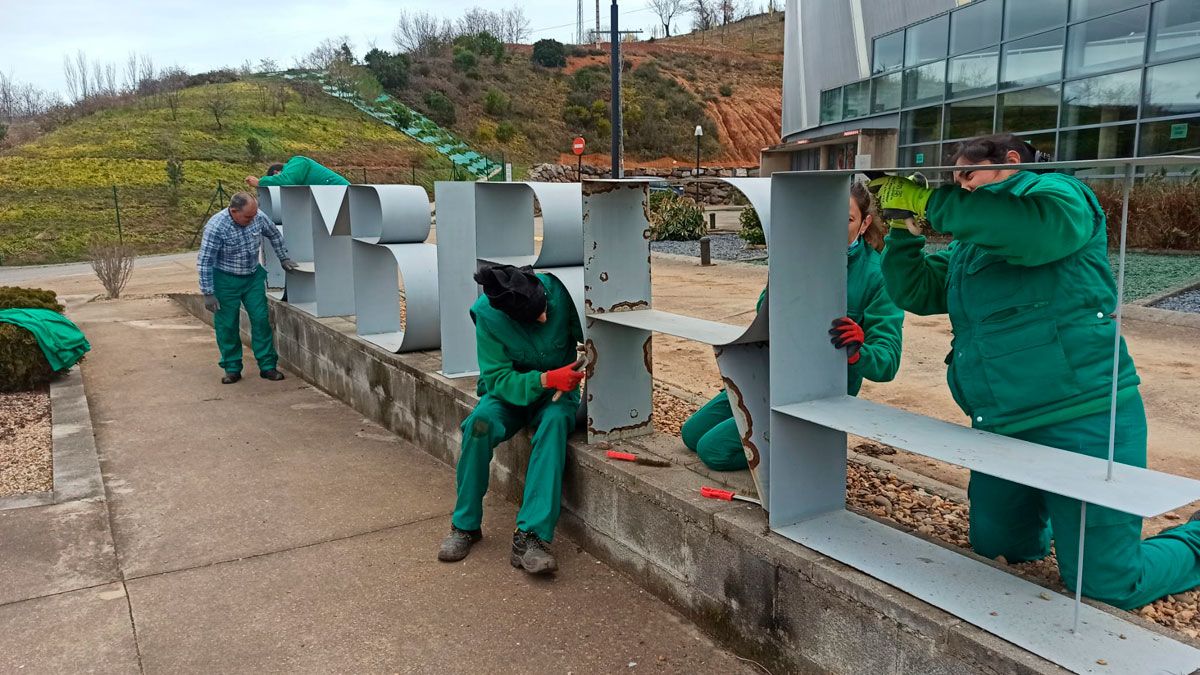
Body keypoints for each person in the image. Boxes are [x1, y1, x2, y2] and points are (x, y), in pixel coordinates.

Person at [873, 133, 1200, 609]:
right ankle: (1060, 522)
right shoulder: (975, 242)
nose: (960, 189)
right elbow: (918, 292)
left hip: (1083, 421)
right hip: (1001, 424)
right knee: (1002, 551)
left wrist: (929, 199)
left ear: (1010, 162)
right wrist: (904, 228)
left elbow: (1033, 234)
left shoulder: (1058, 198)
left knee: (1109, 585)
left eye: (967, 176)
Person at [680, 183, 905, 471]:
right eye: (826, 216)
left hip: (815, 393)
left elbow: (887, 363)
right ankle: (778, 431)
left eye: (847, 219)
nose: (833, 227)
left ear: (864, 223)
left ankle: (807, 443)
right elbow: (765, 313)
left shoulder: (879, 275)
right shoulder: (798, 256)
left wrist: (858, 351)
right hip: (771, 374)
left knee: (713, 452)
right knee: (691, 434)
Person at [437, 264, 584, 575]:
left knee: (555, 425)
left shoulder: (561, 292)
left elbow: (598, 340)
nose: (544, 319)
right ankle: (465, 525)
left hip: (557, 395)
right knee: (478, 425)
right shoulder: (487, 315)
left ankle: (531, 536)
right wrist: (545, 380)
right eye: (535, 319)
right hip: (511, 392)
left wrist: (577, 373)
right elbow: (498, 378)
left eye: (543, 310)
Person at [197, 192, 300, 384]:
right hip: (225, 281)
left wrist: (283, 257)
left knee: (261, 319)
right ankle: (232, 367)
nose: (252, 219)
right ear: (234, 211)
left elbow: (274, 234)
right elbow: (204, 261)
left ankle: (268, 366)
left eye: (254, 215)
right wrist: (208, 292)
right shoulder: (216, 226)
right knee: (227, 325)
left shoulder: (257, 216)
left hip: (252, 277)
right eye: (247, 217)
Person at [244, 156, 350, 188]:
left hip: (343, 193)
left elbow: (287, 180)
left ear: (276, 172)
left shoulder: (298, 161)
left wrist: (260, 182)